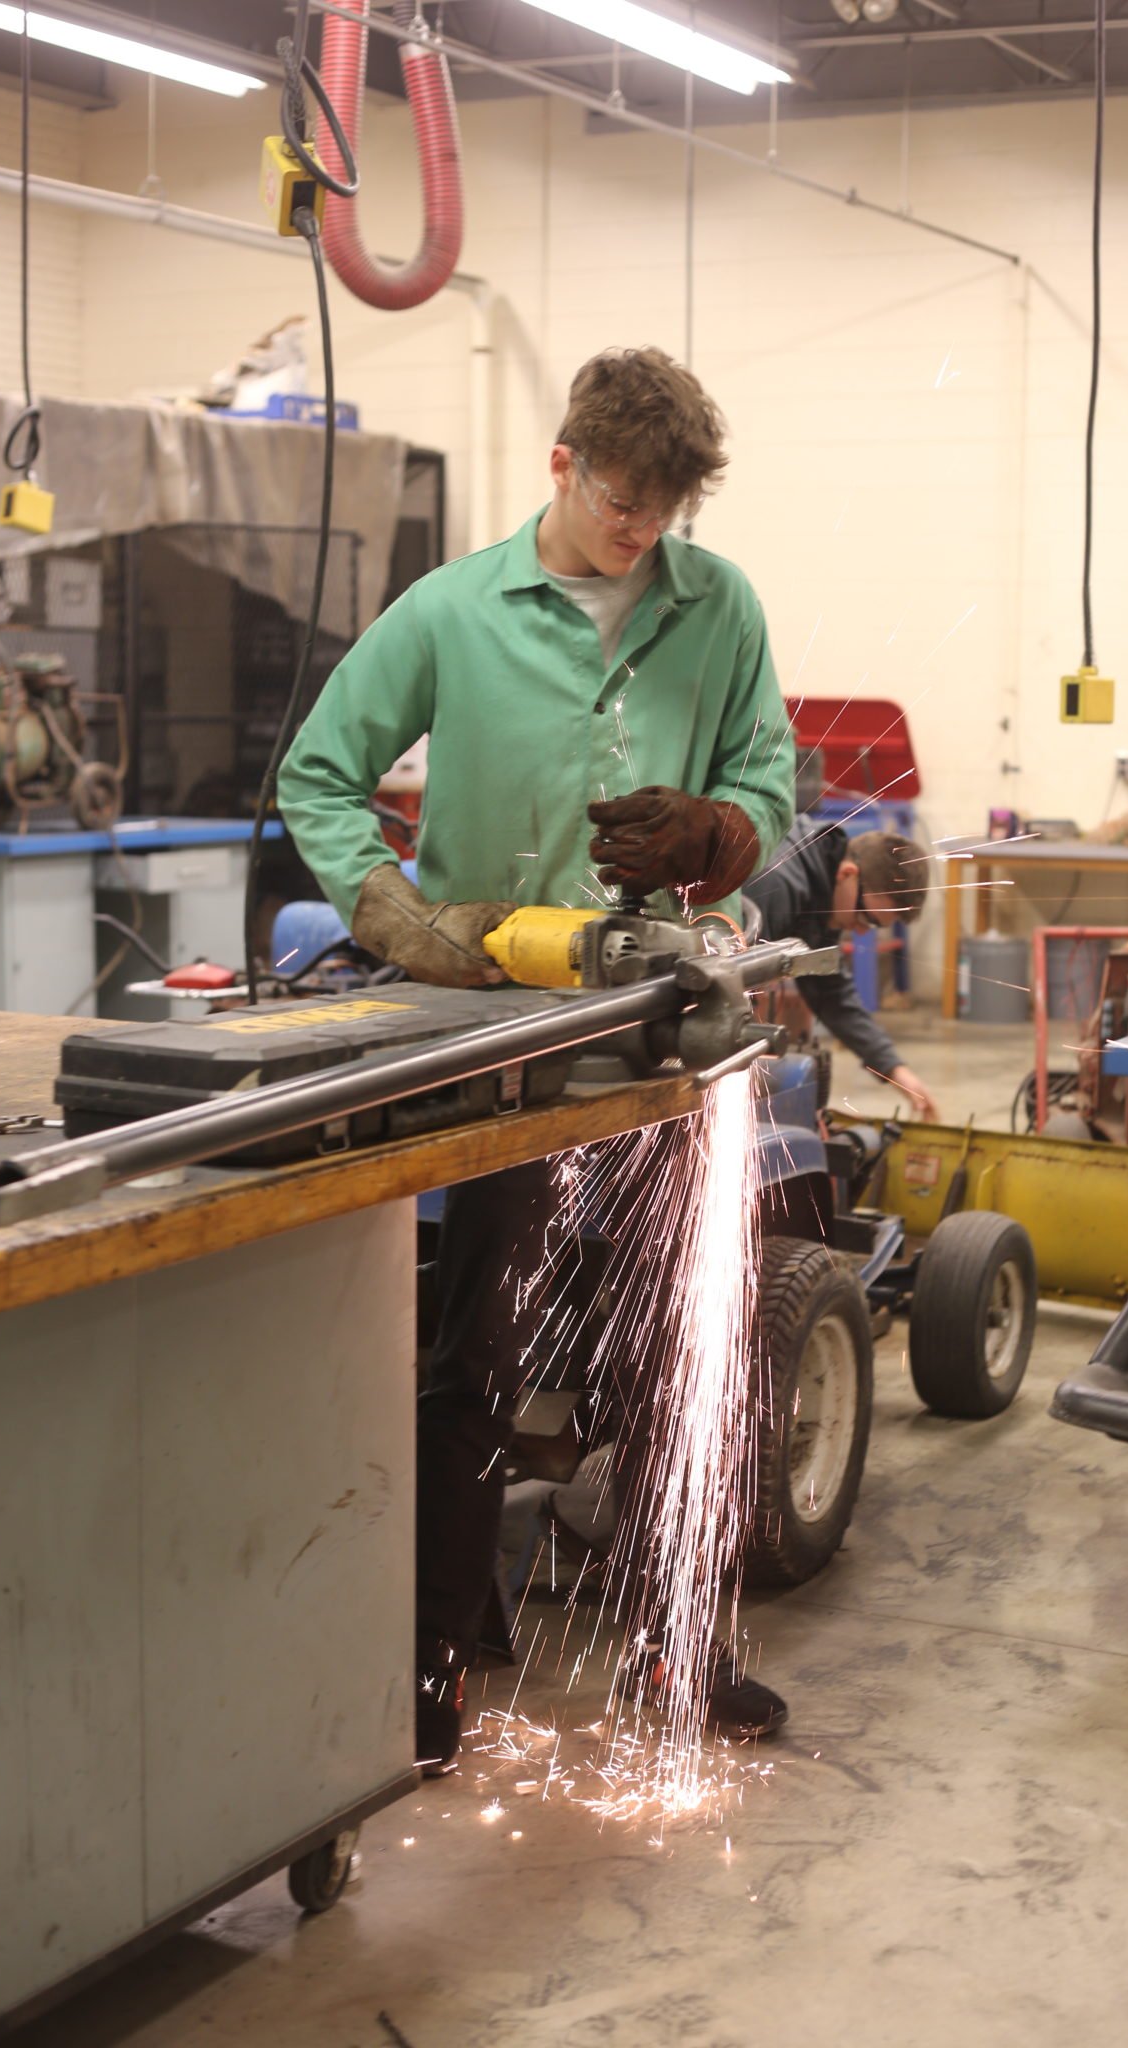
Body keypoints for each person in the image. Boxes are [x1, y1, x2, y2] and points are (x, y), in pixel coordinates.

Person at [278, 346, 796, 1771]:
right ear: (563, 465)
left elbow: (769, 777)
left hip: (662, 1033)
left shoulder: (718, 606)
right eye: (622, 502)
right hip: (506, 1044)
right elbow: (317, 773)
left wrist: (718, 832)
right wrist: (392, 912)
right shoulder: (452, 612)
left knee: (682, 1349)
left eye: (664, 513)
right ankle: (434, 1669)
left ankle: (681, 1652)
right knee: (477, 1364)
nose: (641, 533)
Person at [743, 815, 940, 1122]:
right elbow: (726, 982)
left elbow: (831, 992)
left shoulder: (822, 885)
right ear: (848, 874)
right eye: (867, 918)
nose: (861, 931)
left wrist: (895, 1070)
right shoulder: (777, 884)